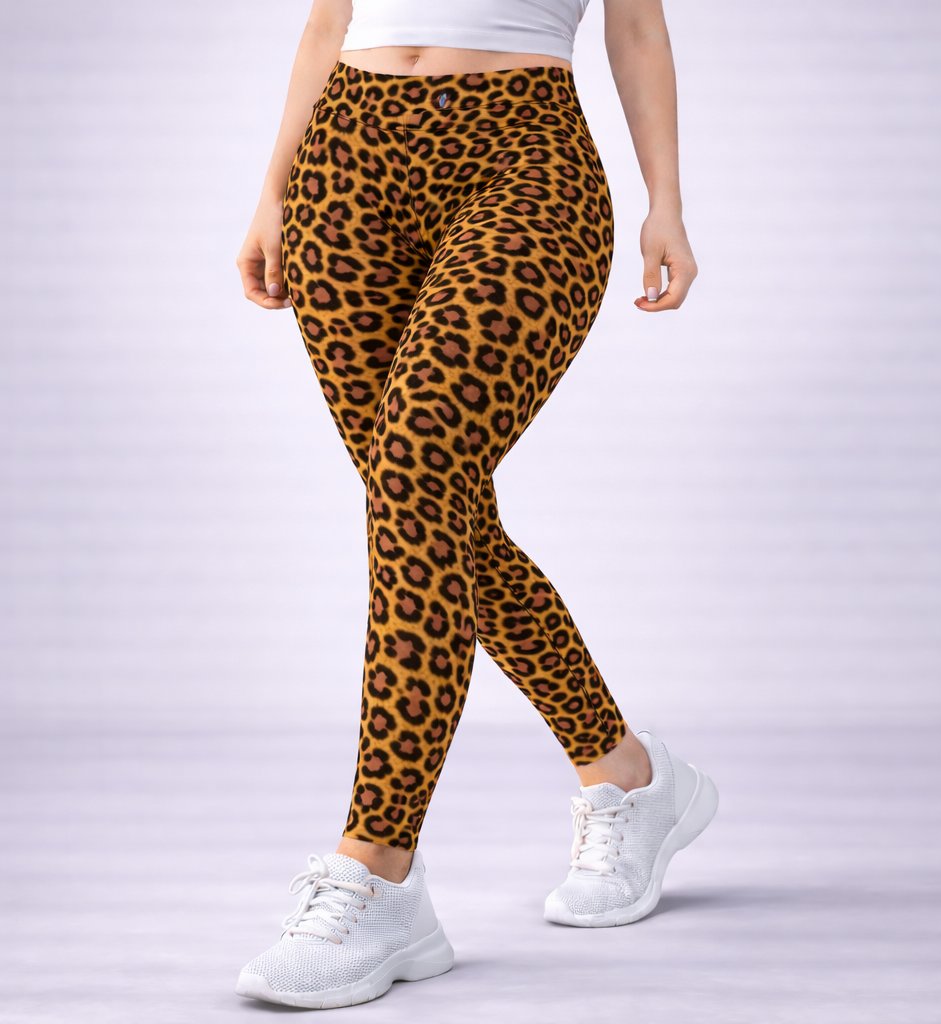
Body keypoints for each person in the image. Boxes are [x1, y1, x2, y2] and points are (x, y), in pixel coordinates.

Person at [234, 0, 716, 1008]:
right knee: (425, 508)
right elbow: (330, 19)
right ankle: (627, 775)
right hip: (344, 165)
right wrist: (273, 188)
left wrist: (664, 200)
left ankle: (378, 866)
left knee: (416, 476)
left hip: (525, 156)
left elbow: (634, 25)